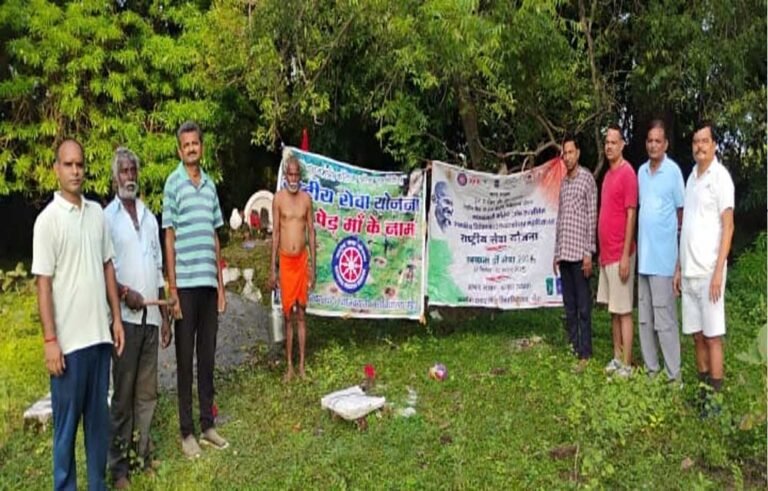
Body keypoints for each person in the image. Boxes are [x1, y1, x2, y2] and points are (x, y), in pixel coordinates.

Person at [32, 139, 125, 491]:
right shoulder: (47, 221)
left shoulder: (97, 213)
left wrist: (117, 319)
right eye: (68, 164)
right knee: (66, 430)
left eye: (80, 164)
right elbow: (43, 284)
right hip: (68, 347)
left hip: (99, 339)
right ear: (56, 169)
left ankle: (97, 486)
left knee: (98, 428)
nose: (75, 171)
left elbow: (107, 267)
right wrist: (50, 340)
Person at [105, 148, 172, 488]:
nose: (129, 176)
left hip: (150, 319)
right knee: (123, 396)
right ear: (114, 177)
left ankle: (141, 453)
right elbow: (102, 270)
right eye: (124, 171)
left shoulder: (148, 216)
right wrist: (122, 292)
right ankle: (119, 468)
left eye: (133, 170)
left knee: (147, 394)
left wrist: (165, 316)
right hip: (124, 321)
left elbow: (158, 269)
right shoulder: (107, 218)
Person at [162, 121, 229, 458]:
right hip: (185, 287)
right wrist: (172, 288)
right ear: (180, 150)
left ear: (201, 147)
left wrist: (221, 286)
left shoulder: (211, 185)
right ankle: (186, 432)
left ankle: (207, 425)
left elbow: (215, 236)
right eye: (185, 144)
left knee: (207, 357)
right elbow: (169, 236)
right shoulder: (173, 184)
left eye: (195, 143)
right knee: (185, 360)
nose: (191, 148)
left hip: (208, 285)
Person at [674, 122, 734, 414]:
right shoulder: (691, 178)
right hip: (689, 272)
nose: (700, 146)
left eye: (705, 141)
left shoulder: (720, 178)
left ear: (714, 145)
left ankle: (716, 402)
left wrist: (719, 271)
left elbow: (728, 226)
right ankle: (703, 394)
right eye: (696, 141)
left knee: (712, 336)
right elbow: (686, 227)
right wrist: (678, 267)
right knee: (697, 335)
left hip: (710, 272)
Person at [637, 120, 685, 382]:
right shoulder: (641, 172)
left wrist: (679, 261)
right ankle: (652, 371)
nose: (653, 145)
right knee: (645, 319)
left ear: (665, 144)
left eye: (658, 141)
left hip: (664, 260)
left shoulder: (673, 171)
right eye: (650, 141)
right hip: (644, 259)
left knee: (664, 320)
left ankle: (673, 376)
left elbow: (682, 213)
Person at [553, 135, 598, 372]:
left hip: (581, 255)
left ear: (578, 153)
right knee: (569, 306)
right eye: (565, 154)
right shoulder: (564, 184)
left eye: (571, 152)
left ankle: (585, 351)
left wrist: (589, 252)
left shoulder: (586, 179)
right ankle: (573, 346)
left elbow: (592, 217)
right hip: (565, 254)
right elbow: (560, 219)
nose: (568, 157)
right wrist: (556, 253)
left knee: (583, 307)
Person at [270, 154, 316, 382]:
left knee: (301, 315)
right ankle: (288, 366)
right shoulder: (278, 199)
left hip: (302, 260)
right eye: (290, 174)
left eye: (297, 174)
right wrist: (273, 268)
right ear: (285, 175)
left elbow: (311, 232)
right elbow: (276, 234)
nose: (294, 178)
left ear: (300, 176)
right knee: (288, 315)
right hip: (286, 261)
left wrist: (313, 266)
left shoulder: (306, 199)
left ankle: (301, 366)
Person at [597, 124, 638, 378]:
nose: (609, 146)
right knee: (614, 309)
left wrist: (625, 256)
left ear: (622, 144)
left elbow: (631, 214)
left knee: (624, 311)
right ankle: (616, 356)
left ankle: (627, 363)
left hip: (620, 253)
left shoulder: (627, 173)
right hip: (607, 253)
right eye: (607, 142)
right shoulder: (608, 175)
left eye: (614, 142)